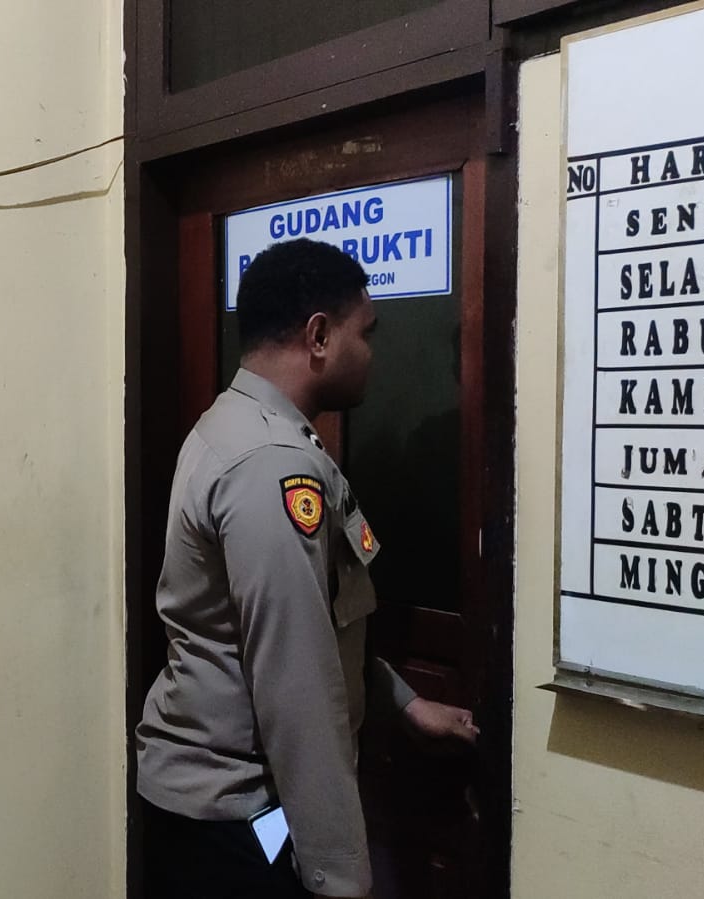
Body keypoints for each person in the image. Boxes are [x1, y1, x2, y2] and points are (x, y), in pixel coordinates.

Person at [134, 239, 479, 899]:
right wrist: (339, 875)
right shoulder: (270, 460)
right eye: (365, 333)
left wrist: (403, 704)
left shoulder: (238, 426)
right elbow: (295, 677)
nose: (372, 352)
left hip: (218, 807)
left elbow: (317, 624)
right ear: (318, 336)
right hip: (241, 818)